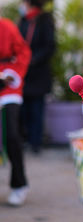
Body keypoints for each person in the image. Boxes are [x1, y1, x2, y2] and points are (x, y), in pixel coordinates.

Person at [18, 0, 55, 153]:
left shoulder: (44, 21)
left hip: (38, 73)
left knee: (37, 110)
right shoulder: (22, 21)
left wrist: (33, 59)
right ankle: (25, 139)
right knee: (24, 110)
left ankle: (36, 143)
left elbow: (49, 46)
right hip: (24, 73)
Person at [0, 17, 31, 206]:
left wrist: (11, 74)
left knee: (11, 135)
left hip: (8, 87)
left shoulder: (7, 27)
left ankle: (19, 183)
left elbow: (23, 52)